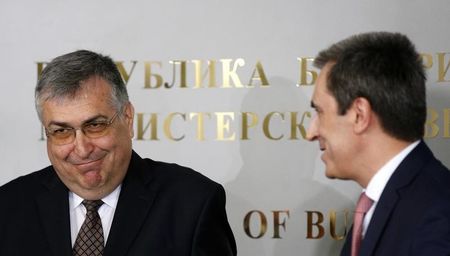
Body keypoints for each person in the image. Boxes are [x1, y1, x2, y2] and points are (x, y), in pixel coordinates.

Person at [0, 50, 237, 256]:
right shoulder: (9, 207)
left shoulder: (193, 204)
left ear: (128, 118)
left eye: (95, 125)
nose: (81, 149)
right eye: (62, 131)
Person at [306, 32, 450, 255]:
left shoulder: (438, 216)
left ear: (359, 115)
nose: (311, 132)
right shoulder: (376, 205)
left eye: (320, 112)